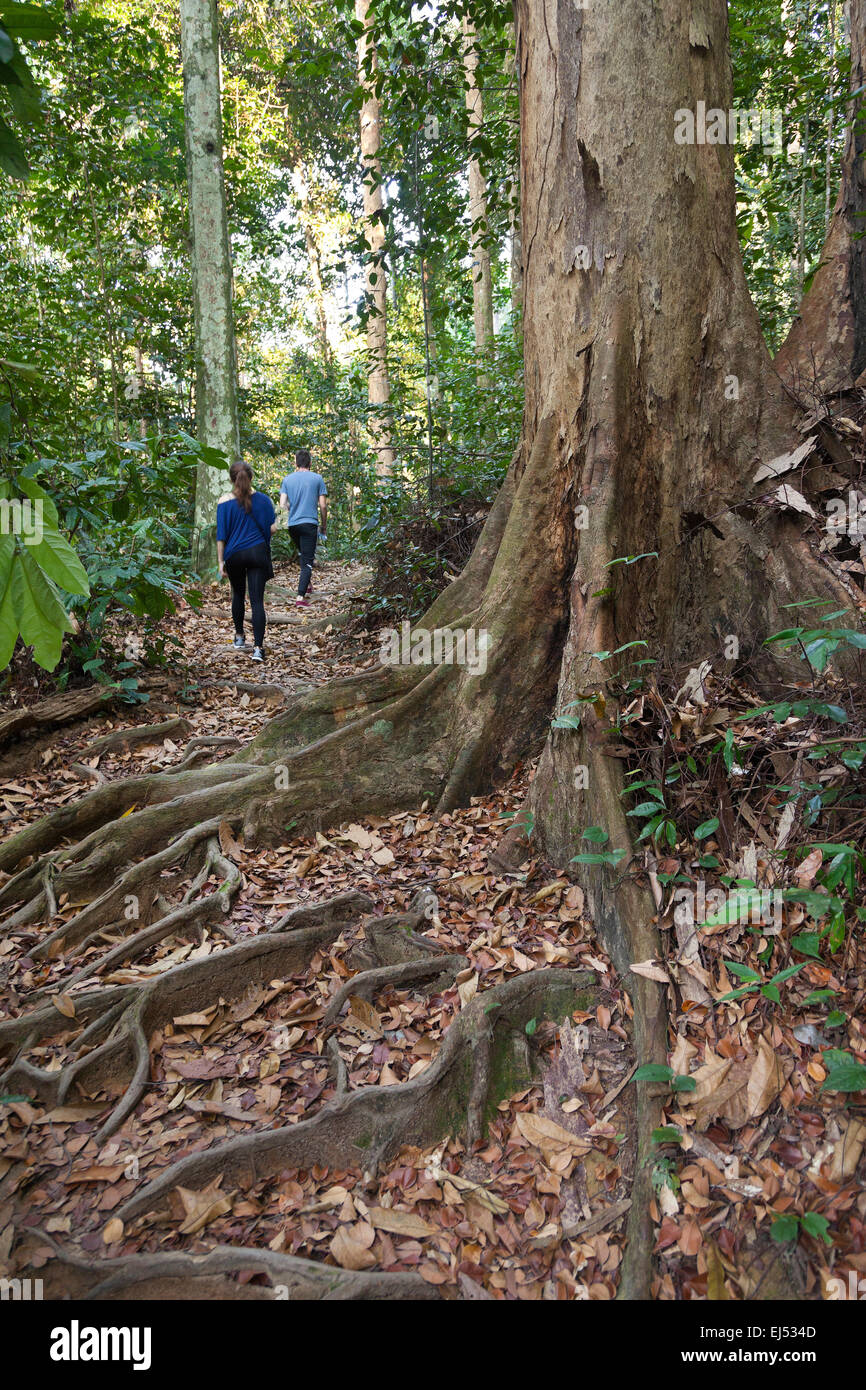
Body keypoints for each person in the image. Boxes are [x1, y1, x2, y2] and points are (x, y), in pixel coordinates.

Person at [216, 461, 279, 663]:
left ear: (231, 479)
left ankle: (240, 636)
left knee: (238, 594)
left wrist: (220, 562)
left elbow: (221, 536)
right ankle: (258, 649)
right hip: (257, 553)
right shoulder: (263, 500)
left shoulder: (224, 502)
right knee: (257, 600)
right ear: (251, 477)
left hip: (234, 554)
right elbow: (272, 528)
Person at [279, 448, 328, 608]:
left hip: (293, 525)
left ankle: (307, 585)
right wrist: (324, 526)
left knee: (303, 554)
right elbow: (323, 505)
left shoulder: (287, 479)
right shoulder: (317, 478)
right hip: (309, 524)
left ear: (296, 463)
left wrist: (291, 508)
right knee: (308, 561)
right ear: (310, 463)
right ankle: (300, 597)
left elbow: (282, 504)